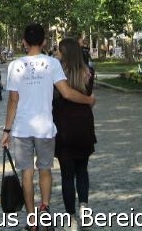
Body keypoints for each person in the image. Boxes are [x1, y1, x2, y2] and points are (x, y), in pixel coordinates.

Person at [0, 23, 96, 231]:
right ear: (44, 42)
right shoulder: (52, 63)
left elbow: (13, 100)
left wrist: (7, 130)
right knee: (45, 170)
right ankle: (45, 210)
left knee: (27, 173)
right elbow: (67, 93)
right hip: (45, 128)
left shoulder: (15, 66)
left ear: (23, 42)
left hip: (22, 129)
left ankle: (32, 221)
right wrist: (88, 101)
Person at [53, 38, 96, 231]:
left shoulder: (57, 75)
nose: (56, 53)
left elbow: (59, 97)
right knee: (82, 170)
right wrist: (88, 100)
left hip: (64, 128)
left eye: (58, 51)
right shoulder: (88, 72)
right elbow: (89, 96)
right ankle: (85, 210)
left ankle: (71, 218)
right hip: (84, 125)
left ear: (65, 53)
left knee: (67, 175)